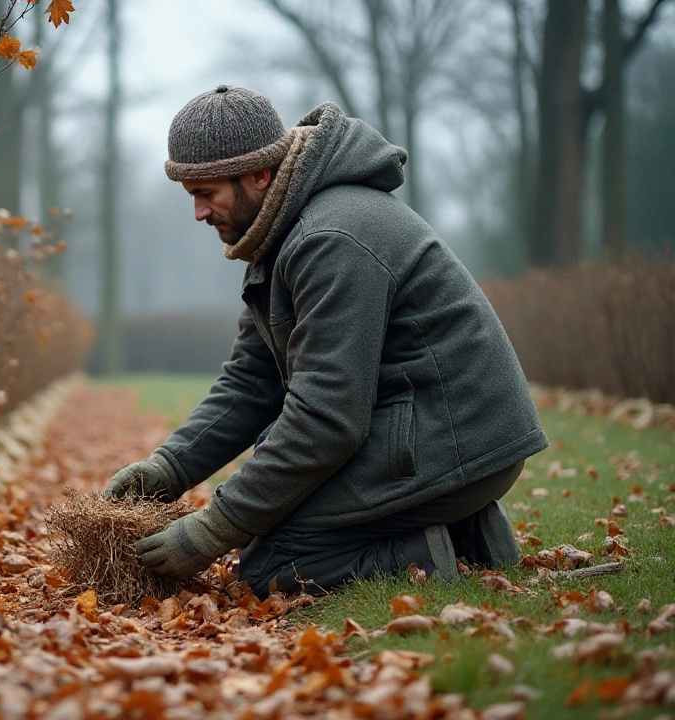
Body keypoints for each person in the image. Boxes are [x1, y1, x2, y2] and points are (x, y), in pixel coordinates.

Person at [104, 86, 548, 598]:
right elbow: (253, 381)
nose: (199, 213)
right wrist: (167, 469)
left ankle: (438, 548)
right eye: (192, 197)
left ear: (259, 175)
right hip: (430, 435)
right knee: (271, 521)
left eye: (207, 194)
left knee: (272, 564)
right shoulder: (280, 236)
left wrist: (210, 530)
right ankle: (463, 530)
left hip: (461, 445)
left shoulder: (329, 239)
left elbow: (328, 416)